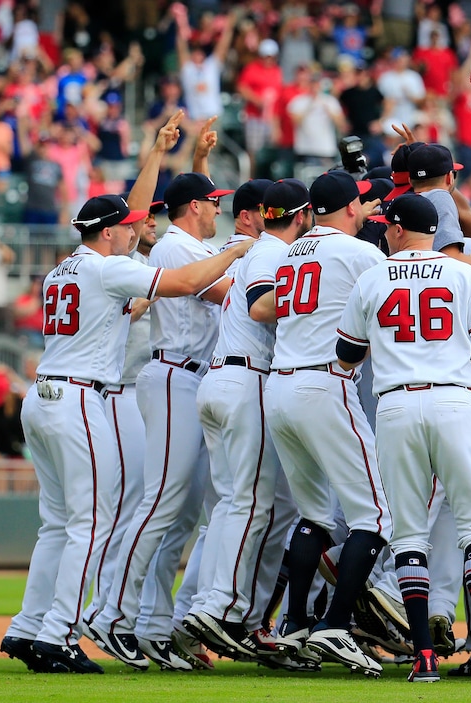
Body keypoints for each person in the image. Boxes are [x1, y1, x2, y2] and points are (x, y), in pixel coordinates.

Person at [0, 192, 254, 675]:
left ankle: (27, 626)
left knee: (56, 525)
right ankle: (58, 636)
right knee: (91, 523)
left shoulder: (62, 270)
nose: (135, 233)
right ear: (109, 231)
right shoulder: (105, 268)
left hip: (43, 396)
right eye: (128, 227)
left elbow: (123, 307)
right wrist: (236, 250)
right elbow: (183, 281)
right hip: (78, 397)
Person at [336, 193, 471, 683]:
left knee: (409, 533)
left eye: (387, 225)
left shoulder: (372, 276)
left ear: (399, 230)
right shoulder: (462, 273)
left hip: (397, 403)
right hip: (452, 400)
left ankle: (422, 657)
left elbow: (345, 355)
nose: (382, 230)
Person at [85, 170, 235, 672]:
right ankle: (110, 613)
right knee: (160, 504)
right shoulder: (175, 247)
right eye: (213, 203)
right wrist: (244, 251)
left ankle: (150, 624)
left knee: (180, 515)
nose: (218, 210)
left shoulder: (189, 246)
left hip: (190, 378)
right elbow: (224, 292)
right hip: (173, 375)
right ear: (193, 206)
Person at [258, 170, 394, 677]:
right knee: (375, 517)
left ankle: (294, 624)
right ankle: (333, 626)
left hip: (281, 383)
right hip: (324, 382)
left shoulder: (290, 252)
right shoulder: (359, 253)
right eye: (359, 203)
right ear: (352, 208)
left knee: (314, 516)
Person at [183, 180, 309, 664]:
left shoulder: (263, 249)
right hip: (246, 379)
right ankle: (220, 607)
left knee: (237, 505)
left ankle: (210, 607)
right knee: (250, 504)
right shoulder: (272, 253)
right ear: (299, 217)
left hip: (222, 379)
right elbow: (261, 307)